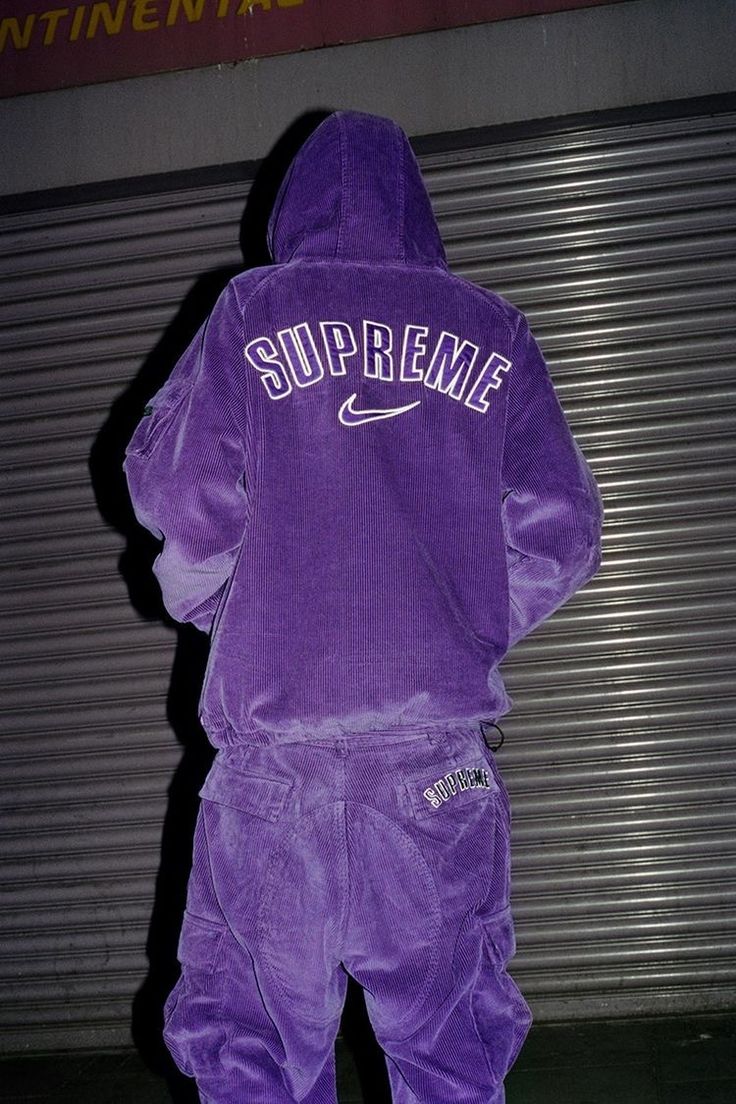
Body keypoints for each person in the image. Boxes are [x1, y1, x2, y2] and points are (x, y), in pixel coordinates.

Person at [124, 109, 603, 1104]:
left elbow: (177, 488)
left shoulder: (253, 310)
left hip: (275, 771)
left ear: (291, 207)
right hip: (434, 770)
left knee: (254, 1052)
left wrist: (226, 606)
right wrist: (461, 621)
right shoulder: (493, 330)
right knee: (450, 1051)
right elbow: (561, 531)